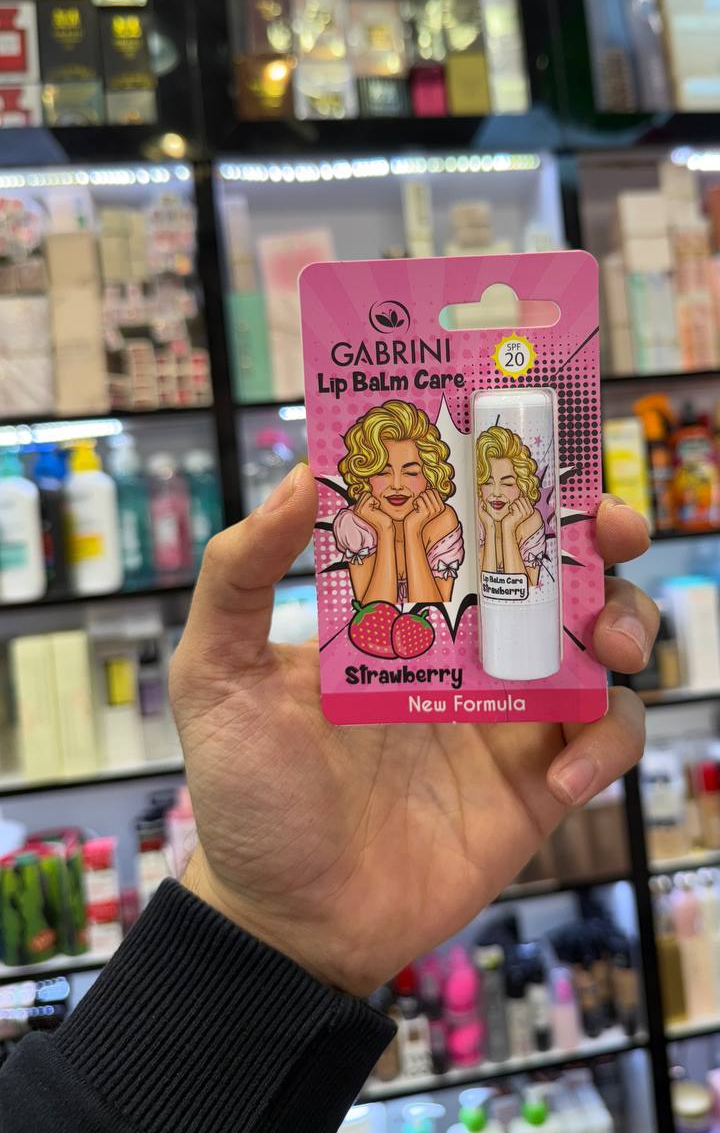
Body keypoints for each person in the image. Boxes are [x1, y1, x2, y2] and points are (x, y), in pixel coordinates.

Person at [1, 464, 658, 1132]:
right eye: (385, 469)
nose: (398, 482)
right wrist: (270, 928)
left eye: (413, 469)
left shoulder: (447, 523)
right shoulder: (365, 527)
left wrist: (262, 934)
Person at [333, 399, 465, 605]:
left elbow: (434, 613)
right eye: (382, 473)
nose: (396, 485)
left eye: (411, 473)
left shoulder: (442, 521)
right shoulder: (356, 524)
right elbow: (373, 614)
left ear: (430, 476)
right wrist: (385, 530)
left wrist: (413, 531)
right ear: (365, 476)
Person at [476, 423, 549, 587]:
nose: (496, 493)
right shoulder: (478, 520)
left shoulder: (531, 521)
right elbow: (486, 587)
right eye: (488, 483)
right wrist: (490, 527)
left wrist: (508, 528)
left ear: (522, 487)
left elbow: (526, 590)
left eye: (507, 484)